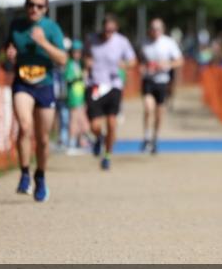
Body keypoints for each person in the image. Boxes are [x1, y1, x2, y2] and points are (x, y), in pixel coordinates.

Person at [6, 0, 67, 202]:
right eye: (31, 4)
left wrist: (43, 43)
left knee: (42, 139)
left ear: (46, 8)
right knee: (24, 126)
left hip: (45, 85)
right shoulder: (16, 26)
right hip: (22, 83)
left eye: (39, 6)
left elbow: (63, 59)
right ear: (26, 5)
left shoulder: (52, 28)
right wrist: (10, 55)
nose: (34, 9)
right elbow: (9, 50)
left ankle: (40, 176)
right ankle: (24, 174)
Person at [85, 14, 137, 170]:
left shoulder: (122, 42)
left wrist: (125, 64)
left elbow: (133, 60)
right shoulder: (91, 39)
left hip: (113, 85)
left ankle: (107, 155)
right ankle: (99, 138)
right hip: (95, 85)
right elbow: (85, 56)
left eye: (111, 30)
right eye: (106, 29)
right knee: (95, 125)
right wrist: (86, 62)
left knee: (112, 123)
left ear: (116, 28)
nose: (108, 32)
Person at [140, 18, 184, 154]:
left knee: (159, 113)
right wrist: (143, 68)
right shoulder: (144, 43)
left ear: (162, 29)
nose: (155, 31)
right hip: (148, 80)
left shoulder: (168, 43)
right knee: (148, 107)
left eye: (158, 28)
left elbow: (180, 61)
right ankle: (146, 137)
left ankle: (155, 139)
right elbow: (140, 61)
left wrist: (167, 65)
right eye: (153, 28)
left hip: (162, 82)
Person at [65, 40, 90, 150]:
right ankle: (72, 142)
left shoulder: (79, 64)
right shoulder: (70, 64)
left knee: (82, 120)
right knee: (74, 120)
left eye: (79, 52)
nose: (77, 54)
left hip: (81, 96)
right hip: (73, 96)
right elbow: (68, 78)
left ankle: (81, 140)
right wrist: (80, 77)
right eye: (75, 52)